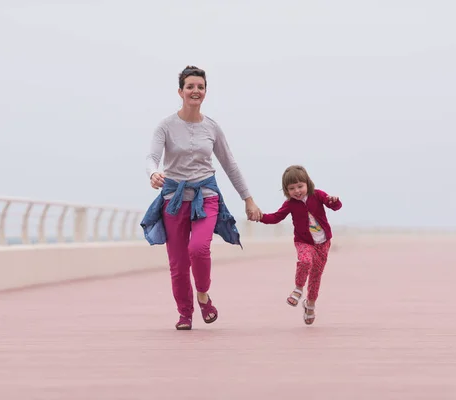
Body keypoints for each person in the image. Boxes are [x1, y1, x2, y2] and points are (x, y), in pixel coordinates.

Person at [140, 65, 262, 331]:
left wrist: (248, 199)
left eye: (200, 87)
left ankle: (203, 296)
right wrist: (153, 174)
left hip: (206, 196)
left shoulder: (212, 128)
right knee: (179, 263)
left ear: (205, 92)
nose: (195, 91)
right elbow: (152, 157)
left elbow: (230, 165)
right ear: (180, 92)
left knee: (198, 249)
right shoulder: (166, 126)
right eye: (190, 87)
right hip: (173, 199)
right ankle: (185, 313)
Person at [256, 165, 342, 325]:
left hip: (323, 243)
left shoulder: (317, 195)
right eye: (292, 188)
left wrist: (334, 201)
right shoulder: (290, 204)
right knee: (305, 261)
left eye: (300, 186)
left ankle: (310, 305)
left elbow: (335, 207)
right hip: (303, 242)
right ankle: (298, 288)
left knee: (316, 276)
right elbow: (275, 218)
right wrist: (259, 217)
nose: (297, 191)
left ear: (308, 184)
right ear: (286, 190)